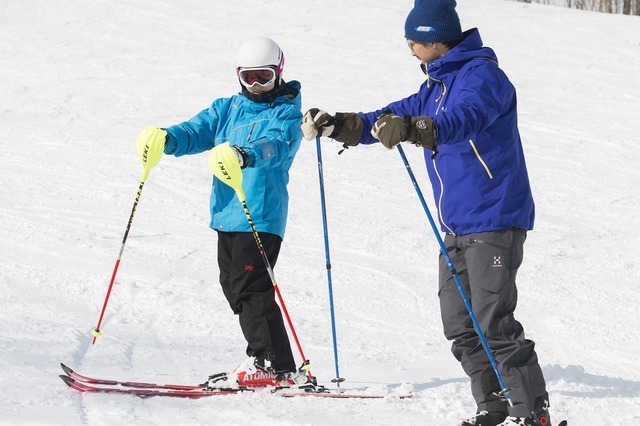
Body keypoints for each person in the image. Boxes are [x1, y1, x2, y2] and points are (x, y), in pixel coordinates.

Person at [301, 0, 550, 424]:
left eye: (413, 42)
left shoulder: (484, 77)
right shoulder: (433, 87)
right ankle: (492, 405)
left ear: (435, 39)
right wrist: (338, 124)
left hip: (494, 218)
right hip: (454, 226)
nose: (410, 49)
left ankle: (533, 414)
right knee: (460, 325)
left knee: (494, 323)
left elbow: (465, 119)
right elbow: (385, 117)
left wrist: (419, 129)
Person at [135, 36, 308, 388]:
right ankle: (278, 366)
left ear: (278, 72)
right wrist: (166, 138)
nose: (257, 85)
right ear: (239, 76)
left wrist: (245, 154)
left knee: (251, 287)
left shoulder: (286, 113)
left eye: (264, 76)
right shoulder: (226, 108)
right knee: (234, 286)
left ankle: (269, 364)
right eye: (249, 77)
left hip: (259, 214)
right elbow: (196, 130)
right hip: (227, 214)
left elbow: (276, 143)